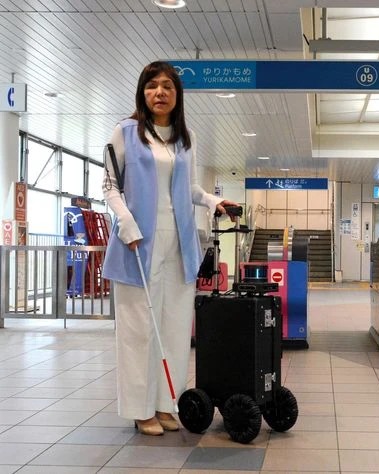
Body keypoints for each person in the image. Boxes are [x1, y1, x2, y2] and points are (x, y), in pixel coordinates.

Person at [102, 61, 238, 436]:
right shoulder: (126, 132)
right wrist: (126, 224)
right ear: (142, 92)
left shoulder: (185, 137)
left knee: (176, 329)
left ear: (178, 96)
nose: (159, 93)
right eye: (152, 86)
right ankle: (139, 408)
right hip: (137, 246)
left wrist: (213, 202)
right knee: (139, 330)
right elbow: (110, 186)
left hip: (179, 244)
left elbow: (188, 189)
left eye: (167, 87)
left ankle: (166, 404)